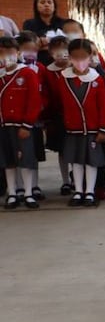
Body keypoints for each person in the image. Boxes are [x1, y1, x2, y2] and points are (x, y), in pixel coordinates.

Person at [57, 38, 105, 208]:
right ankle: (78, 190)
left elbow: (104, 106)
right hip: (73, 129)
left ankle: (90, 192)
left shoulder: (97, 79)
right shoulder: (64, 79)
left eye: (83, 56)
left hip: (93, 130)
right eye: (75, 57)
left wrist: (103, 129)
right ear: (70, 57)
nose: (80, 61)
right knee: (76, 161)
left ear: (90, 57)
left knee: (91, 161)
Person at [0, 36, 42, 209]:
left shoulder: (27, 73)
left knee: (26, 160)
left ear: (18, 53)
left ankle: (28, 193)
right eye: (1, 53)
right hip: (3, 126)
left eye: (10, 52)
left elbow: (34, 101)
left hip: (22, 126)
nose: (5, 56)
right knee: (8, 161)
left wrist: (27, 124)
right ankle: (12, 193)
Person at [41, 36, 72, 195]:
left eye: (65, 49)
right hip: (57, 116)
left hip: (75, 115)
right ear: (51, 52)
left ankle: (77, 178)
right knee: (62, 150)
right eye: (57, 50)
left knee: (76, 148)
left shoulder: (76, 68)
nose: (61, 53)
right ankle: (66, 181)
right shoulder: (48, 72)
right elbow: (45, 94)